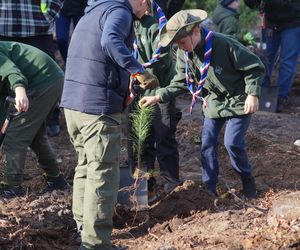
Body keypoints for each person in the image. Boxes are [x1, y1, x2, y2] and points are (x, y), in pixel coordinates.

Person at [60, 0, 159, 248]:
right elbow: (110, 42)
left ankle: (84, 230)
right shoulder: (120, 12)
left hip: (73, 103)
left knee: (85, 166)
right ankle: (95, 243)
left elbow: (97, 53)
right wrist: (139, 72)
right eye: (146, 6)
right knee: (103, 173)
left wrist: (122, 80)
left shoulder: (92, 12)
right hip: (97, 108)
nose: (145, 11)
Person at [139, 9, 265, 198]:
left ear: (196, 31)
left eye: (182, 42)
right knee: (206, 143)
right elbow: (181, 81)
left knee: (232, 143)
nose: (180, 47)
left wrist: (252, 94)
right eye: (177, 44)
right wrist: (158, 96)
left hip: (239, 100)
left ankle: (247, 180)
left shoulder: (224, 44)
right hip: (213, 101)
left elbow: (254, 67)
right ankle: (209, 188)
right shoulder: (185, 53)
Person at [0, 41, 69, 199]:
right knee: (35, 136)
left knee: (16, 136)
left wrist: (19, 90)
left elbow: (12, 72)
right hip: (47, 78)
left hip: (43, 80)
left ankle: (12, 187)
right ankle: (56, 179)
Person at [133, 1, 182, 202]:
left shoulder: (158, 25)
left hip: (161, 87)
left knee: (164, 135)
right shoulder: (127, 22)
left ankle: (172, 183)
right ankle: (146, 186)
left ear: (144, 2)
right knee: (141, 139)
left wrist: (143, 79)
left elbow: (160, 59)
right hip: (137, 88)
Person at [0, 0, 64, 137]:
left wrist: (48, 15)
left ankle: (50, 120)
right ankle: (8, 128)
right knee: (5, 81)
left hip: (37, 28)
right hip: (3, 27)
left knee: (46, 77)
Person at [244, 0, 300, 112]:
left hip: (293, 20)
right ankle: (262, 94)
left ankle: (280, 98)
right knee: (264, 58)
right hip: (270, 22)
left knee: (287, 62)